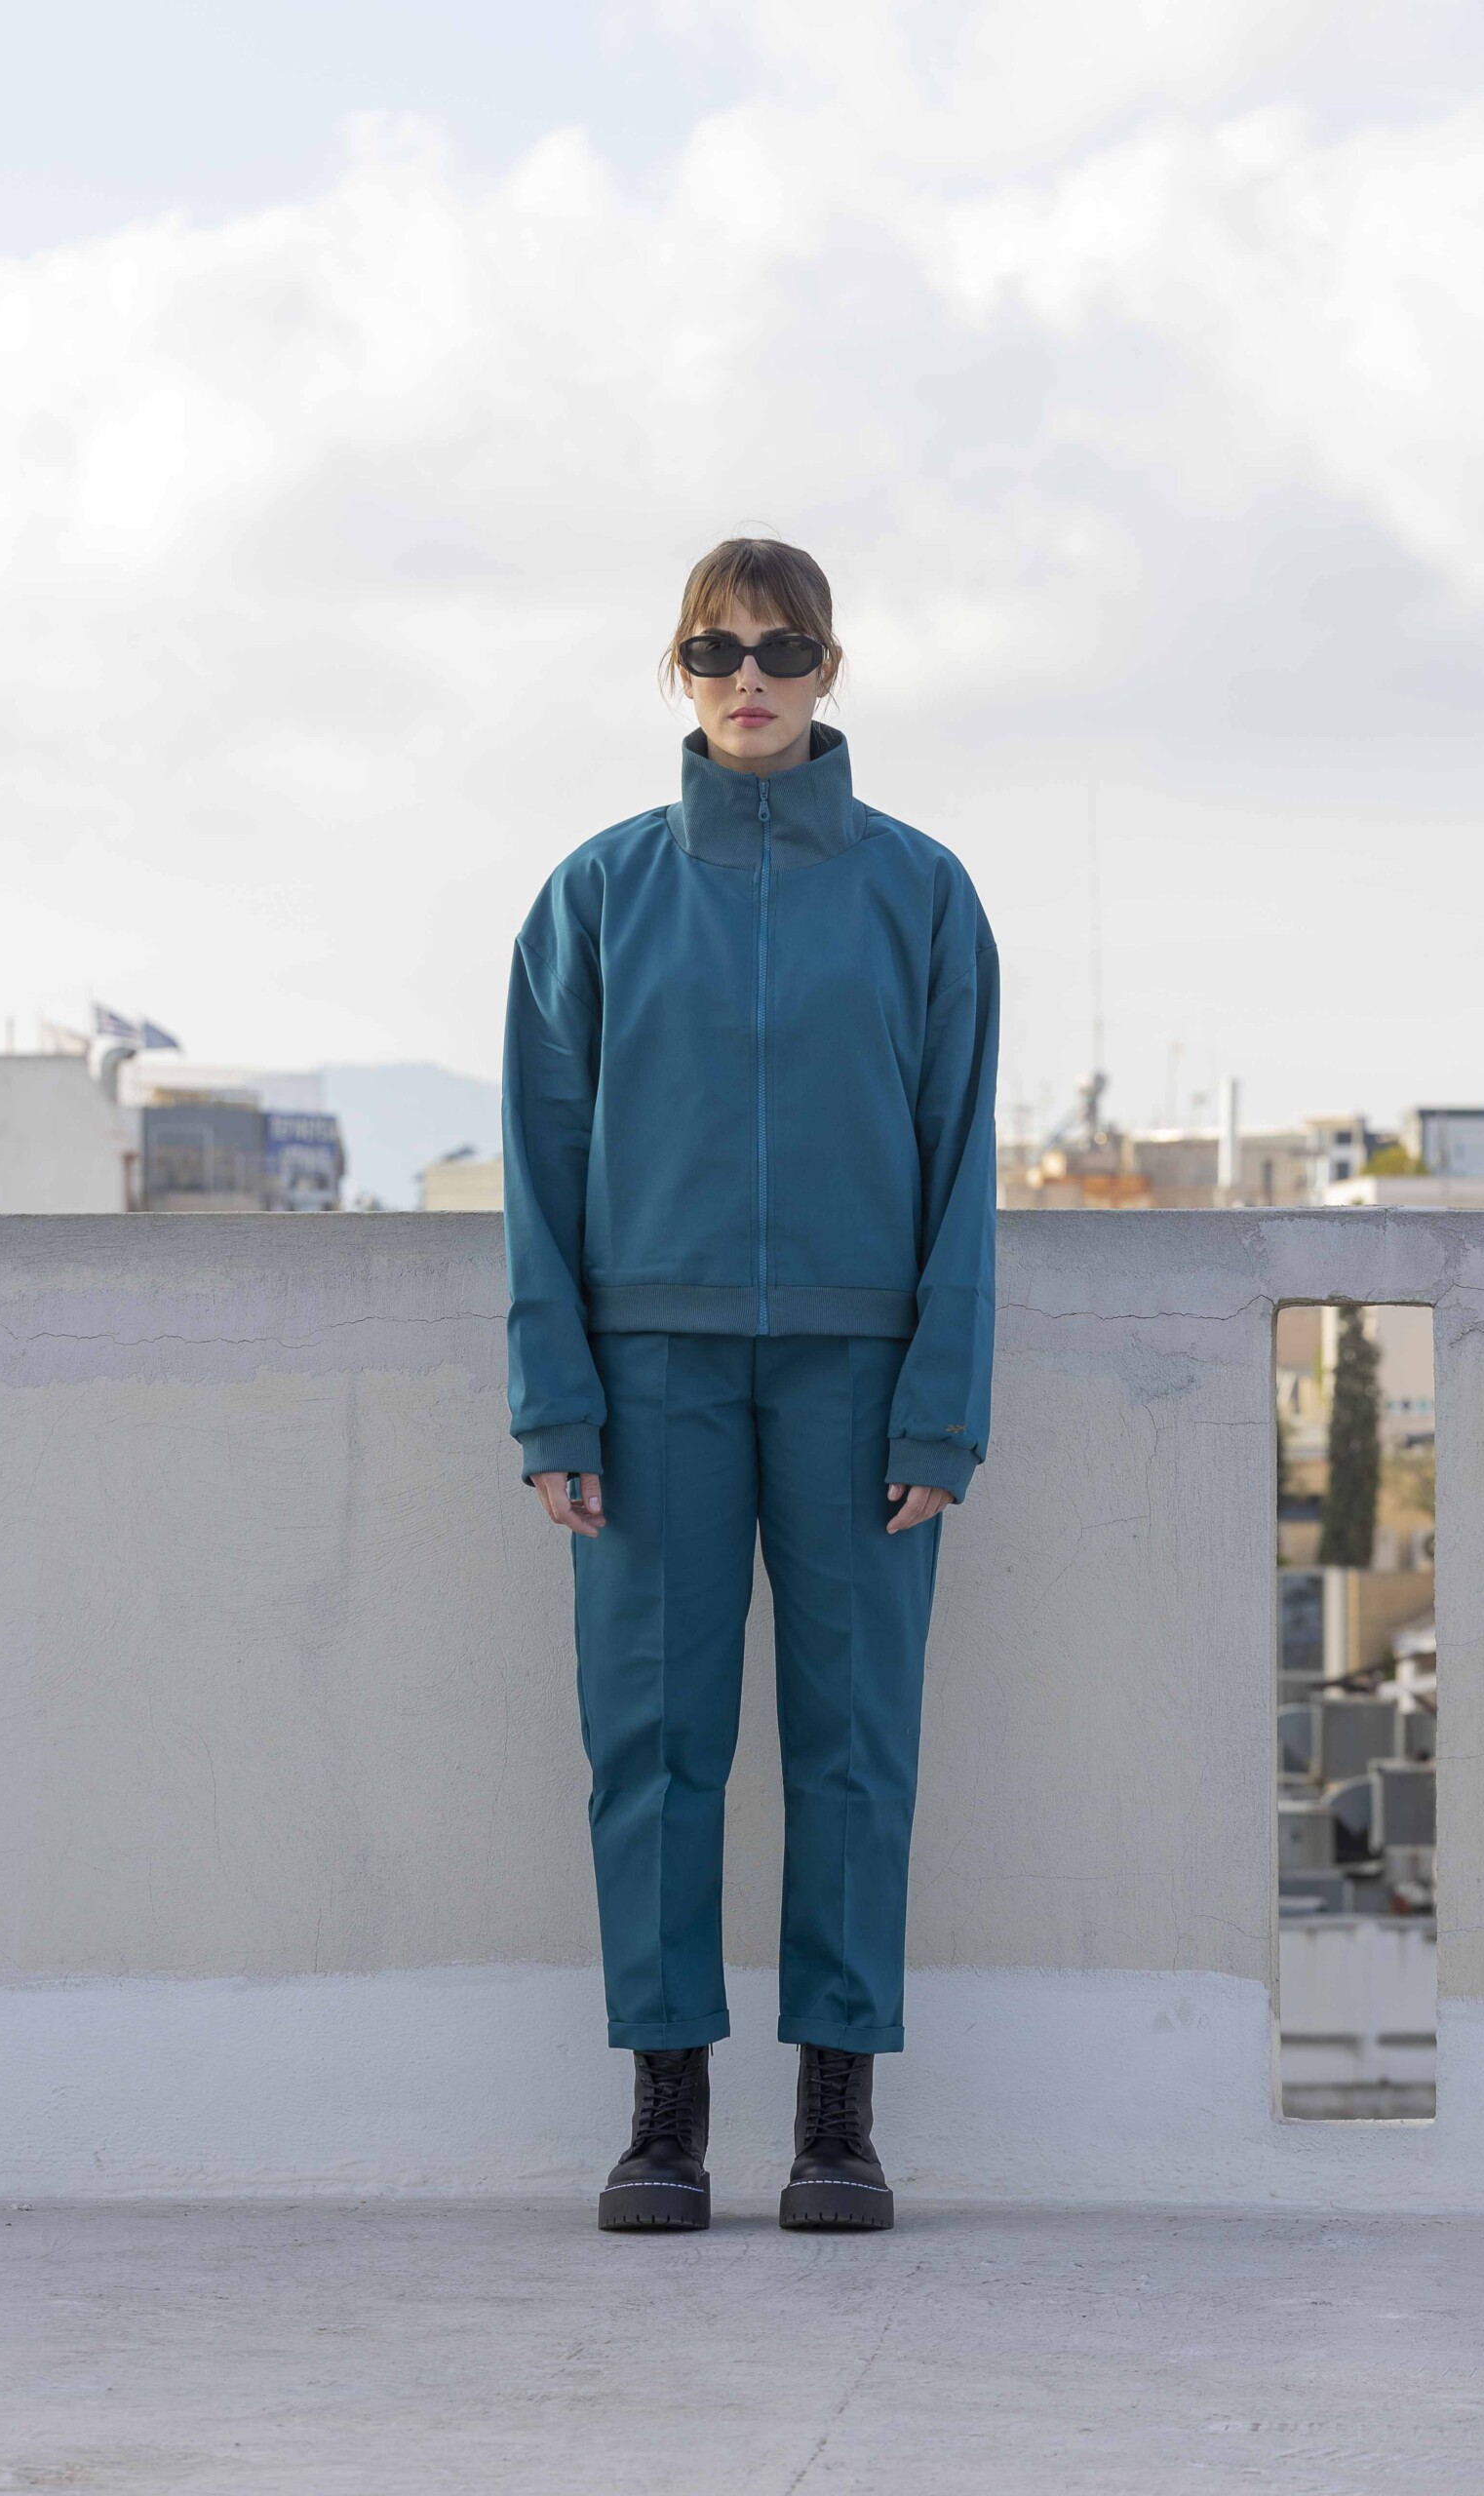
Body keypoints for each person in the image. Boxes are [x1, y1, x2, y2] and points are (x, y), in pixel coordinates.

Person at [501, 536, 999, 2233]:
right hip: (649, 1377)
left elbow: (964, 1167)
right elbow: (537, 1167)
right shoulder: (596, 894)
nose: (751, 679)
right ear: (681, 671)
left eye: (783, 649)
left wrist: (941, 1407)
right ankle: (665, 2117)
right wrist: (556, 1404)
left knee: (856, 1746)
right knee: (653, 1748)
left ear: (829, 668)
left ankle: (837, 2122)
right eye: (717, 650)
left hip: (863, 1378)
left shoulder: (923, 892)